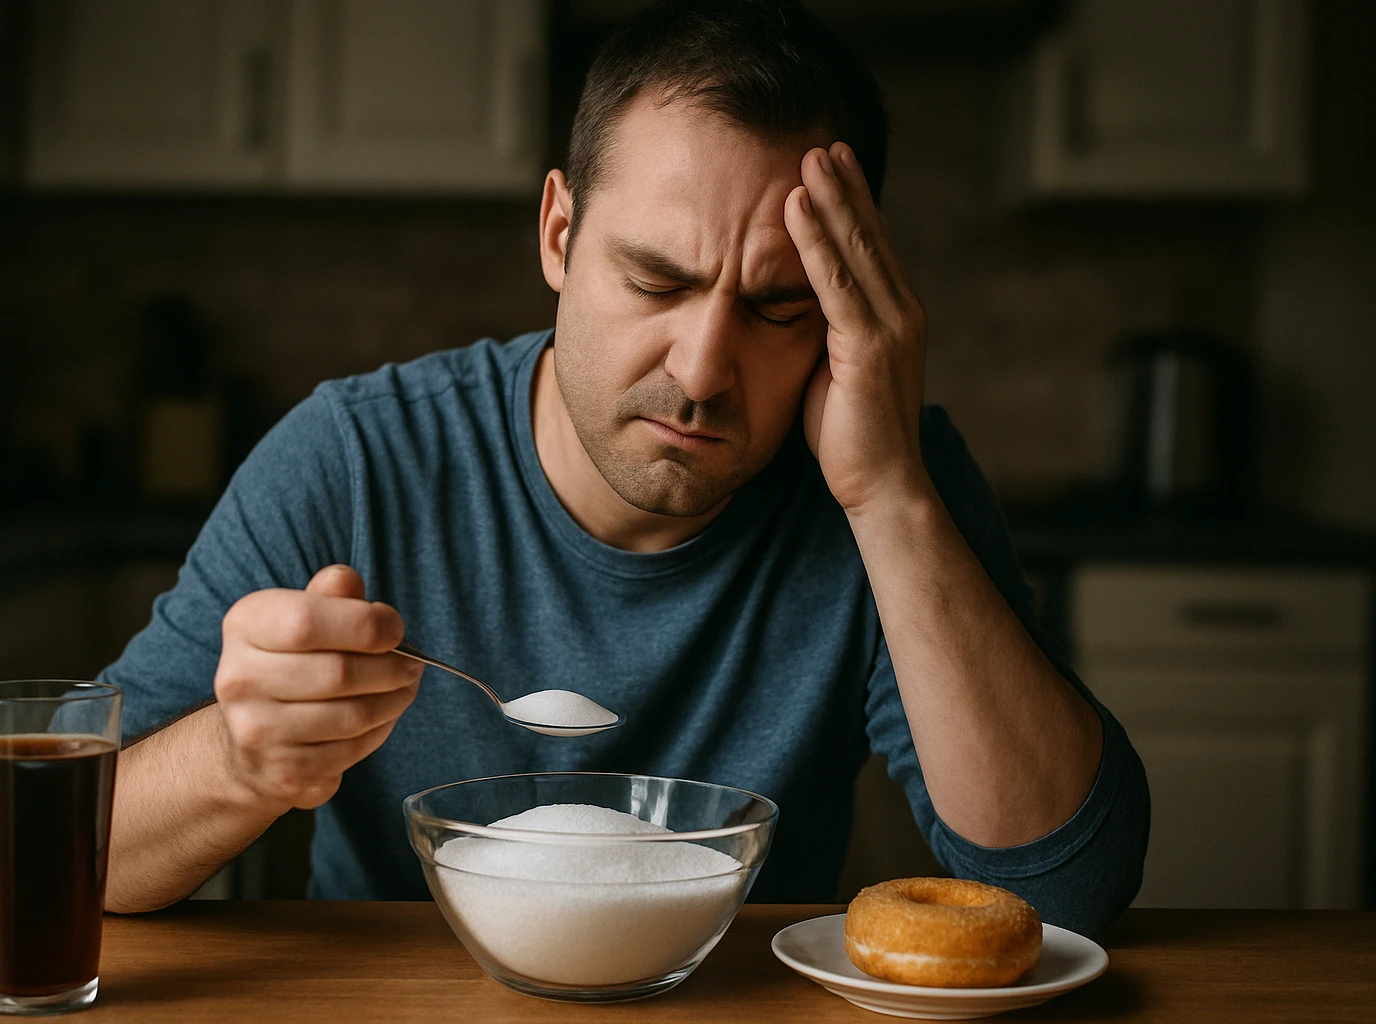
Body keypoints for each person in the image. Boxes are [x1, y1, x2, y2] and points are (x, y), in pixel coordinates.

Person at [100, 0, 1149, 935]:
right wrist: (242, 760)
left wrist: (890, 498)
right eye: (655, 281)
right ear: (559, 232)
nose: (701, 372)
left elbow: (1069, 892)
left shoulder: (891, 478)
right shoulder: (356, 458)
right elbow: (73, 849)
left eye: (779, 309)